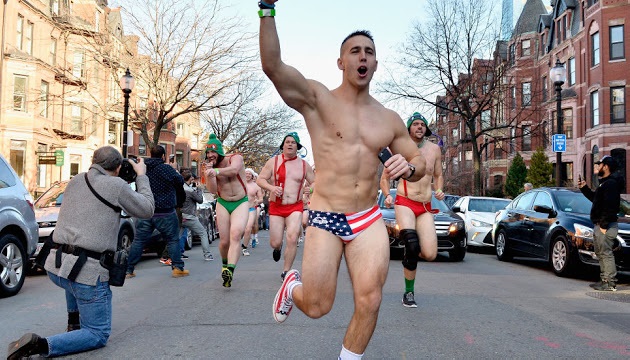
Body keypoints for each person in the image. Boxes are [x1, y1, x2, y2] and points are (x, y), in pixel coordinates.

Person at [260, 4, 426, 358]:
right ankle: (292, 287)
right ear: (341, 62)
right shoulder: (318, 100)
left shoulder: (389, 119)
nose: (362, 57)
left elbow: (419, 160)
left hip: (367, 219)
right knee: (319, 305)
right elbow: (273, 67)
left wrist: (409, 167)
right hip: (325, 215)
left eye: (369, 52)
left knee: (371, 298)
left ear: (375, 64)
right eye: (355, 51)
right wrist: (266, 10)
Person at [6, 146, 154, 359]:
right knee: (97, 333)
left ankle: (74, 322)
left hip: (56, 268)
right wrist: (141, 176)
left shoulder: (75, 181)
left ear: (94, 161)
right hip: (87, 274)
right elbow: (147, 209)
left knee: (73, 271)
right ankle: (40, 345)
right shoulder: (116, 186)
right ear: (119, 167)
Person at [379, 112, 444, 308]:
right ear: (408, 128)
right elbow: (385, 178)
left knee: (431, 254)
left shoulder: (434, 149)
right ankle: (408, 292)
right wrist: (387, 194)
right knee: (413, 244)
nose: (419, 127)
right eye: (415, 124)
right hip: (405, 201)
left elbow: (438, 175)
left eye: (422, 124)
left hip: (425, 206)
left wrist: (440, 189)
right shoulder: (400, 149)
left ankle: (409, 254)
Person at [257, 132, 315, 280]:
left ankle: (286, 271)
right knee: (275, 242)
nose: (290, 144)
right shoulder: (273, 162)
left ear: (298, 147)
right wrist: (271, 188)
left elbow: (315, 182)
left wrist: (311, 189)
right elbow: (260, 179)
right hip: (277, 206)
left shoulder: (303, 165)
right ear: (283, 145)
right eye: (287, 142)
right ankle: (277, 247)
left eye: (293, 142)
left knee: (292, 237)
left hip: (295, 206)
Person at [126, 145, 189, 278]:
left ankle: (129, 270)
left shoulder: (142, 168)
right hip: (165, 211)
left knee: (138, 241)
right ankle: (177, 268)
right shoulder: (166, 169)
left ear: (150, 154)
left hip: (145, 211)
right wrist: (175, 170)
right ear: (163, 156)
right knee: (172, 240)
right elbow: (180, 181)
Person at [204, 134, 249, 287]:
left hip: (240, 202)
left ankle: (230, 270)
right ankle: (225, 264)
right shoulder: (211, 168)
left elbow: (234, 170)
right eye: (208, 153)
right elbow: (213, 191)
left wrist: (216, 172)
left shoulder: (234, 158)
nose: (210, 156)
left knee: (236, 234)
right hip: (223, 202)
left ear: (220, 151)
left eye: (213, 152)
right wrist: (209, 175)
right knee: (224, 242)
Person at [578, 155, 623, 291]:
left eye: (600, 164)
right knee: (601, 252)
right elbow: (596, 200)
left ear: (606, 167)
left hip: (606, 226)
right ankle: (605, 280)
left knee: (605, 253)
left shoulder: (611, 184)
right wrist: (584, 188)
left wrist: (603, 225)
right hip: (601, 225)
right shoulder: (605, 183)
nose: (598, 166)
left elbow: (611, 206)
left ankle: (609, 283)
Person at [181, 170, 214, 261]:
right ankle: (207, 255)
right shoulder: (190, 190)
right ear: (190, 178)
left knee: (177, 236)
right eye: (192, 178)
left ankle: (175, 255)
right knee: (203, 233)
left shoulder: (180, 188)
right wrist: (199, 189)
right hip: (189, 216)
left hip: (180, 215)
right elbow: (200, 200)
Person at [242, 168, 263, 256]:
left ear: (252, 176)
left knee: (248, 228)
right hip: (240, 210)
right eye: (246, 173)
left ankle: (245, 248)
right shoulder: (240, 184)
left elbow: (261, 198)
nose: (247, 175)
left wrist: (257, 201)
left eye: (249, 174)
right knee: (239, 230)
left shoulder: (256, 186)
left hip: (251, 209)